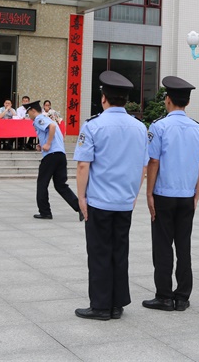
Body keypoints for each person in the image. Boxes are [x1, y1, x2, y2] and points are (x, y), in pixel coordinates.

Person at [73, 71, 148, 321]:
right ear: (125, 100)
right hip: (124, 201)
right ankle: (117, 303)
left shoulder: (93, 126)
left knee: (99, 252)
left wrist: (81, 198)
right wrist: (134, 195)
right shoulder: (139, 127)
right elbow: (143, 167)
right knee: (119, 251)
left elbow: (83, 165)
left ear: (103, 98)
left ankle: (101, 306)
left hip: (99, 200)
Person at [142, 77, 199, 312]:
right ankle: (182, 297)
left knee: (162, 246)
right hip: (187, 195)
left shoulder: (159, 127)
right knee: (184, 246)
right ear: (187, 102)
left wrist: (149, 193)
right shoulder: (198, 129)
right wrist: (197, 194)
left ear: (168, 100)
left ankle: (164, 296)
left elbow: (153, 162)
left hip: (163, 194)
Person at [24, 101, 81, 221]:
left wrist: (48, 144)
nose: (28, 116)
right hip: (60, 155)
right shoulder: (49, 119)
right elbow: (53, 129)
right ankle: (80, 208)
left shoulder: (39, 119)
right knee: (61, 185)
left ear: (33, 111)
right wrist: (42, 144)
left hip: (50, 156)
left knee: (42, 183)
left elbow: (52, 128)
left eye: (28, 113)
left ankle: (45, 212)